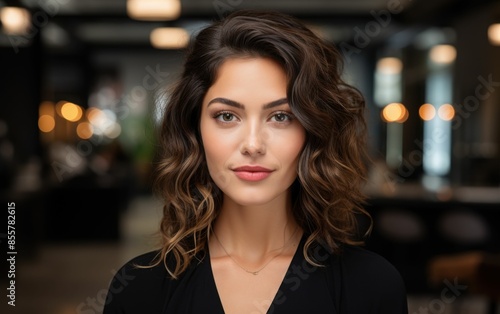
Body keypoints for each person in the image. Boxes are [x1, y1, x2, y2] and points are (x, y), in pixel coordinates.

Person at [103, 9, 408, 314]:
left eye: (280, 117)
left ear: (313, 132)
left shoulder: (372, 287)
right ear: (195, 129)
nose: (252, 144)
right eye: (226, 116)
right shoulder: (138, 289)